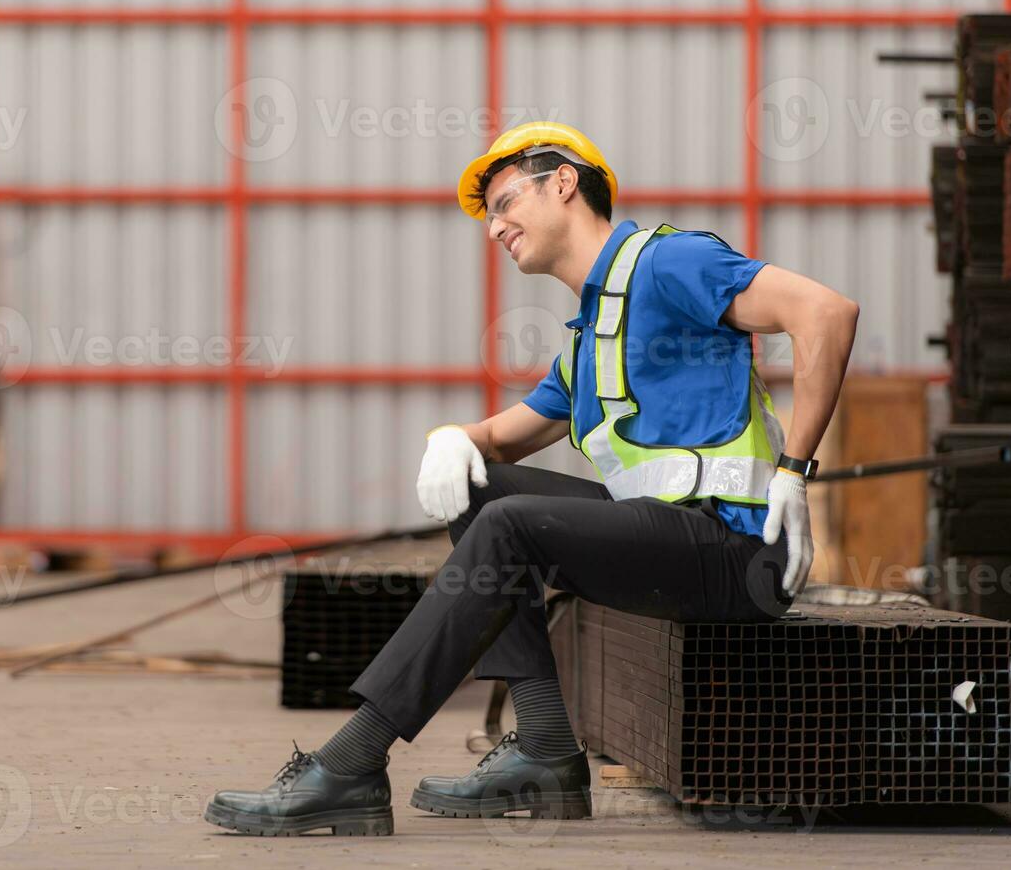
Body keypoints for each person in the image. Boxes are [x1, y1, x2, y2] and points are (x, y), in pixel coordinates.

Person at [203, 121, 859, 837]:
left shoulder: (669, 264)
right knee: (482, 485)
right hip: (671, 545)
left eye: (507, 201)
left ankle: (352, 763)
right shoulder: (589, 343)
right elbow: (496, 439)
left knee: (509, 525)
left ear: (565, 183)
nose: (495, 228)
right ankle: (547, 748)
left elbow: (825, 311)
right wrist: (450, 439)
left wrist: (794, 471)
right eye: (489, 216)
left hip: (737, 552)